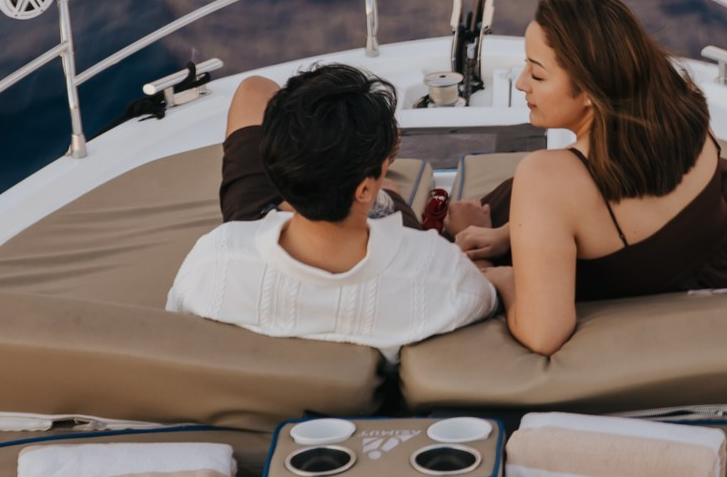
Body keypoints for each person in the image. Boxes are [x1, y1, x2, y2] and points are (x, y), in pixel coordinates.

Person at [454, 0, 727, 355]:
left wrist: (501, 275)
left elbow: (543, 334)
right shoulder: (679, 105)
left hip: (646, 279)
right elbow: (626, 198)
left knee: (464, 224)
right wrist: (508, 234)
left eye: (537, 73)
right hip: (715, 246)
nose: (521, 83)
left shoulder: (547, 179)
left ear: (590, 90)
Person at [168, 64, 497, 356]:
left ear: (272, 170)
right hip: (379, 246)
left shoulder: (212, 259)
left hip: (267, 231)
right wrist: (474, 239)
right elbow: (483, 294)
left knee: (254, 89)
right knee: (391, 192)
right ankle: (369, 178)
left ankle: (338, 168)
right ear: (365, 190)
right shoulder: (441, 274)